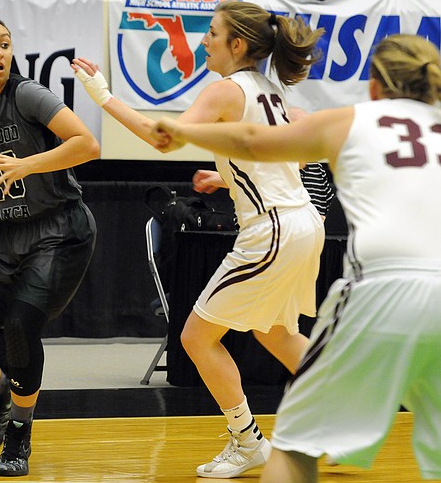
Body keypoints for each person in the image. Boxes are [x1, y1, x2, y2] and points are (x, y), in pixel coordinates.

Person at [151, 33, 441, 483]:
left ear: (375, 87)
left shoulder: (351, 120)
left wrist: (184, 129)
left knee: (291, 455)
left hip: (381, 290)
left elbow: (251, 140)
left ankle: (262, 440)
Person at [72, 0, 325, 478]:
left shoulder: (227, 89)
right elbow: (282, 160)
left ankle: (247, 441)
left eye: (211, 33)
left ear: (237, 45)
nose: (203, 41)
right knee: (275, 331)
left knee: (196, 337)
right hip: (302, 222)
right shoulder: (269, 89)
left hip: (271, 230)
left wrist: (103, 96)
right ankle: (349, 416)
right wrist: (228, 179)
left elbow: (161, 138)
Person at [0, 15, 99, 478]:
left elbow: (86, 144)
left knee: (19, 327)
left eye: (4, 44)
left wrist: (26, 165)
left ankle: (20, 432)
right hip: (2, 236)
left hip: (58, 229)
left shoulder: (28, 94)